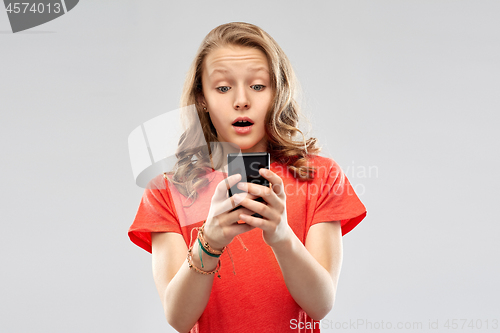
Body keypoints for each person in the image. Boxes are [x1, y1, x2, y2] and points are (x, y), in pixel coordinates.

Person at [128, 22, 367, 333]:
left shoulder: (320, 176)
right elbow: (178, 317)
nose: (241, 100)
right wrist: (209, 241)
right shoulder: (167, 191)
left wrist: (282, 236)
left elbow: (320, 304)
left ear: (277, 91)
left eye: (257, 86)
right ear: (203, 97)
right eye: (223, 88)